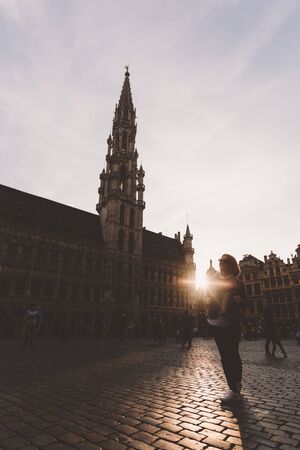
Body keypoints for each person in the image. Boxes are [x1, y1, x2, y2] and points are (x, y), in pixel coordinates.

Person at [206, 254, 246, 403]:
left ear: (232, 264)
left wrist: (240, 300)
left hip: (232, 322)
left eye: (225, 262)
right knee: (225, 357)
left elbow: (245, 303)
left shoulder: (237, 282)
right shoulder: (215, 280)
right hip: (217, 321)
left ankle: (236, 385)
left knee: (233, 354)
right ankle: (232, 387)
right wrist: (208, 300)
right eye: (220, 262)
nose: (222, 264)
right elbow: (207, 295)